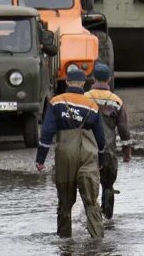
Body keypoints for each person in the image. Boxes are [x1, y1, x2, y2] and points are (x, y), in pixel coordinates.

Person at [35, 68, 107, 238]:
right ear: (83, 83)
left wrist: (40, 159)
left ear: (67, 82)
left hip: (65, 155)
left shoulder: (56, 102)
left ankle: (64, 242)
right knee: (91, 201)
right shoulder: (92, 106)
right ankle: (97, 243)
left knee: (65, 204)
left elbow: (46, 133)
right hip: (88, 156)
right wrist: (101, 159)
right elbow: (101, 138)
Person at [83, 63, 131, 220]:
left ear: (93, 79)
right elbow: (123, 129)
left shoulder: (84, 98)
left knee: (89, 186)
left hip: (87, 151)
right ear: (109, 79)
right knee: (108, 186)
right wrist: (127, 152)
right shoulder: (116, 101)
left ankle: (91, 218)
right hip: (109, 151)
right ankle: (108, 218)